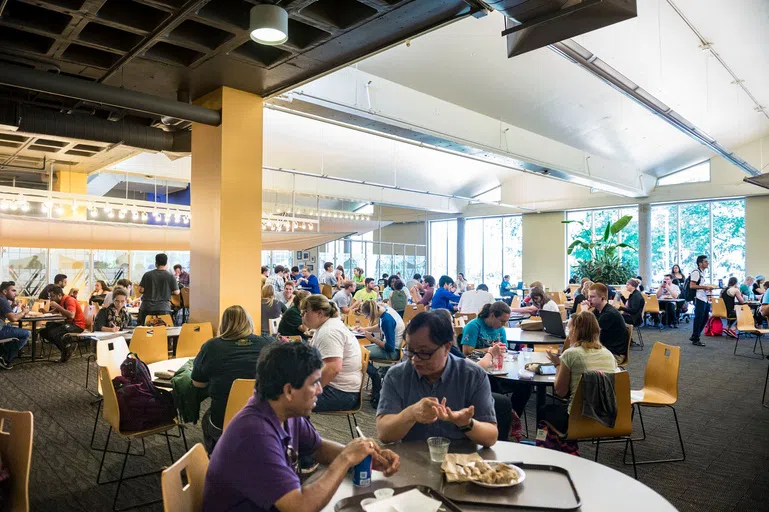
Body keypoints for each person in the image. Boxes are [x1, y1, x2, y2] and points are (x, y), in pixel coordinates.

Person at [202, 342, 400, 511]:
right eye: (314, 383)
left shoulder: (285, 411)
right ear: (289, 391)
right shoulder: (255, 435)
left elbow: (318, 448)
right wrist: (347, 458)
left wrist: (364, 456)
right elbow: (301, 507)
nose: (320, 390)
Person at [376, 310, 498, 446]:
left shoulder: (472, 375)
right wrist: (411, 414)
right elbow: (384, 434)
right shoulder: (397, 376)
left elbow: (490, 437)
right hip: (413, 460)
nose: (415, 359)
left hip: (462, 462)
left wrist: (466, 423)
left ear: (446, 348)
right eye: (410, 351)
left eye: (424, 352)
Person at [192, 306, 275, 453]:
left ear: (223, 324)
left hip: (223, 422)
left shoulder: (212, 347)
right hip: (266, 419)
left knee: (207, 418)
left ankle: (217, 456)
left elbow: (198, 383)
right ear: (249, 322)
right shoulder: (268, 344)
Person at [540, 312, 618, 433]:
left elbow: (560, 392)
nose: (568, 331)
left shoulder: (571, 354)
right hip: (605, 416)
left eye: (569, 327)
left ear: (575, 330)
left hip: (577, 416)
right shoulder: (608, 354)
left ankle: (554, 449)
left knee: (544, 410)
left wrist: (558, 364)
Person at [301, 295, 362, 412]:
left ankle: (299, 429)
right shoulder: (327, 326)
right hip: (339, 388)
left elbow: (333, 368)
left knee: (285, 401)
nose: (302, 315)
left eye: (305, 311)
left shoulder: (329, 331)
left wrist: (310, 390)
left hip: (341, 393)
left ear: (319, 313)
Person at [357, 299, 406, 406]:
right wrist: (364, 329)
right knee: (359, 351)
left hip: (393, 352)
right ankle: (377, 375)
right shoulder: (385, 310)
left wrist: (372, 339)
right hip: (390, 346)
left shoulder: (387, 320)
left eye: (366, 316)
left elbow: (389, 347)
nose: (366, 318)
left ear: (372, 313)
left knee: (359, 354)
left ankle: (376, 377)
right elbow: (380, 327)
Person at [41, 286, 86, 362]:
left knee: (54, 332)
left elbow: (71, 315)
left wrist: (57, 306)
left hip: (77, 325)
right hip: (68, 323)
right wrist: (46, 312)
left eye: (52, 296)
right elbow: (56, 310)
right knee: (44, 331)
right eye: (50, 297)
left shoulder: (69, 300)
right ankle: (66, 348)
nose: (51, 299)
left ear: (59, 295)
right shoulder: (61, 300)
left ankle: (66, 350)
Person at [585, 283, 627, 363]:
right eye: (588, 296)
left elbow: (588, 332)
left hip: (614, 355)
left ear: (603, 298)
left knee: (578, 360)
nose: (589, 299)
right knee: (576, 357)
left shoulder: (609, 314)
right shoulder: (598, 310)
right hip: (603, 349)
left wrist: (585, 311)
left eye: (592, 297)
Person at [137, 254, 179, 326]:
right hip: (163, 308)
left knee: (144, 331)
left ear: (156, 263)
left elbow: (141, 290)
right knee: (164, 332)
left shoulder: (147, 275)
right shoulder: (170, 276)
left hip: (147, 307)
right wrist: (168, 291)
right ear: (166, 263)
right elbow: (176, 292)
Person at [0, 281, 30, 370]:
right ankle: (6, 359)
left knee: (11, 328)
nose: (15, 293)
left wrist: (12, 307)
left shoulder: (2, 300)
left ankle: (3, 353)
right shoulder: (2, 300)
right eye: (13, 290)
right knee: (26, 333)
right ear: (5, 291)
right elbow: (13, 318)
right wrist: (24, 312)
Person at [689, 255, 715, 347]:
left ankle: (695, 335)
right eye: (705, 261)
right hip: (698, 298)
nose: (707, 263)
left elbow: (699, 285)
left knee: (705, 317)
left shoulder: (702, 272)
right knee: (699, 318)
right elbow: (692, 285)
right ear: (700, 263)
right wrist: (705, 287)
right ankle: (696, 338)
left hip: (703, 297)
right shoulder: (696, 272)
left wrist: (707, 288)